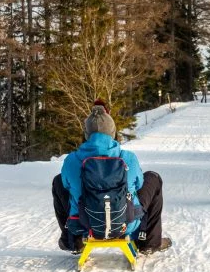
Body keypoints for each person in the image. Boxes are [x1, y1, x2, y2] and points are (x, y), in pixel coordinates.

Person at [52, 103, 173, 254]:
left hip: (85, 224)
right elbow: (139, 183)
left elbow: (66, 185)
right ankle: (148, 242)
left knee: (58, 181)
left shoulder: (71, 160)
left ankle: (73, 241)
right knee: (153, 178)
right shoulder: (127, 158)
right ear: (113, 132)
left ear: (86, 134)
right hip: (126, 223)